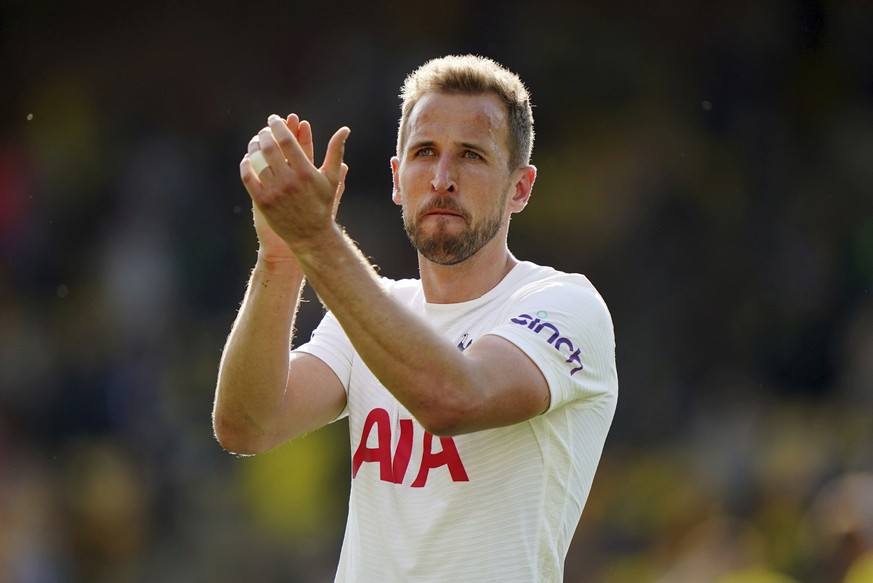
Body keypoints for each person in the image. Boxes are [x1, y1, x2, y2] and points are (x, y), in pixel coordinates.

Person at [213, 54, 618, 582]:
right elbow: (246, 426)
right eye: (425, 152)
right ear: (398, 179)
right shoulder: (374, 310)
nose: (443, 178)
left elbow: (453, 398)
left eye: (471, 155)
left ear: (520, 187)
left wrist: (317, 239)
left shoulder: (565, 305)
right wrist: (282, 258)